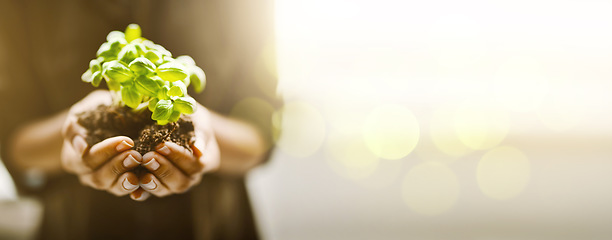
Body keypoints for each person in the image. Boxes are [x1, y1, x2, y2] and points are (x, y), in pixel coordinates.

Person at [0, 0, 281, 239]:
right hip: (75, 225)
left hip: (216, 225)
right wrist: (67, 140)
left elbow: (262, 126)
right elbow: (11, 135)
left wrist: (209, 138)